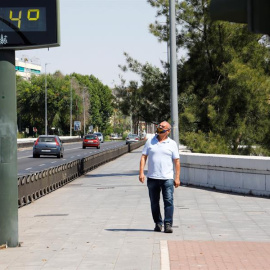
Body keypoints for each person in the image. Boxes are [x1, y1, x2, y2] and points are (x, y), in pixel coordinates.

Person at [139, 121, 180, 233]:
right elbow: (143, 157)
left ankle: (168, 224)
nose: (160, 127)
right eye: (159, 126)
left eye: (163, 127)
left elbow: (176, 161)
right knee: (154, 202)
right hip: (152, 177)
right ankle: (158, 223)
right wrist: (141, 172)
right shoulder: (150, 142)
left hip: (167, 178)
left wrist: (177, 178)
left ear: (168, 131)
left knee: (169, 201)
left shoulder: (172, 144)